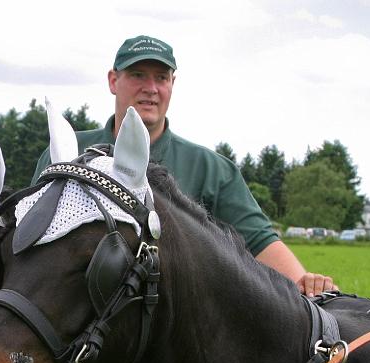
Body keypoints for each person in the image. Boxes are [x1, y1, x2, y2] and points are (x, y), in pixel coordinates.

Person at [33, 35, 335, 297]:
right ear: (114, 80)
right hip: (77, 334)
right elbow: (28, 238)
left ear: (172, 84)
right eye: (138, 74)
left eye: (161, 78)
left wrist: (304, 282)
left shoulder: (211, 169)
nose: (151, 88)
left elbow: (259, 240)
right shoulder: (67, 155)